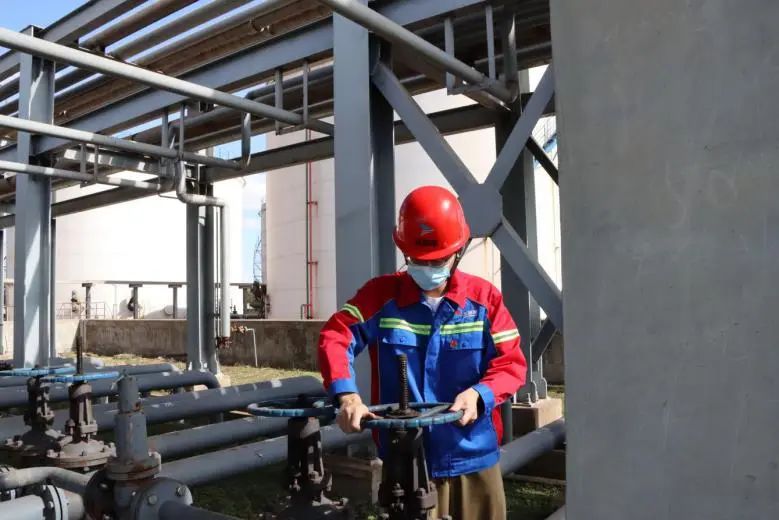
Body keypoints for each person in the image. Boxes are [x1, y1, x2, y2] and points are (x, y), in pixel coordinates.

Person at [318, 186, 526, 520]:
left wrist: (479, 394)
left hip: (474, 460)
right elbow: (336, 335)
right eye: (417, 260)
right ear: (405, 251)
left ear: (458, 252)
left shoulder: (484, 301)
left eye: (437, 260)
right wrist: (347, 396)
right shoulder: (380, 297)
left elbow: (511, 363)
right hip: (407, 462)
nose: (427, 267)